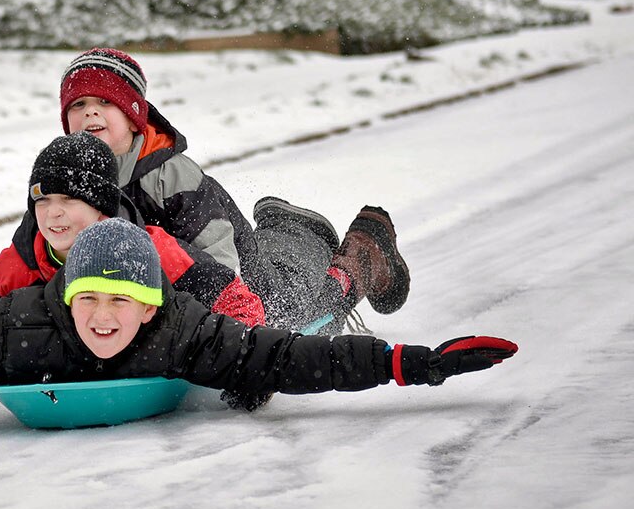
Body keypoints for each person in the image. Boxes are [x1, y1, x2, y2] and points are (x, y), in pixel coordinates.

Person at [0, 219, 517, 408]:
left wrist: (409, 363)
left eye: (121, 302)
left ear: (151, 305)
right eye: (89, 298)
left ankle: (329, 245)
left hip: (259, 279)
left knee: (301, 319)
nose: (102, 316)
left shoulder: (184, 329)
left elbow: (290, 362)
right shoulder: (24, 325)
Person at [55, 47, 410, 335]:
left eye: (104, 103)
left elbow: (219, 253)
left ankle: (358, 252)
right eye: (78, 105)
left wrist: (223, 325)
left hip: (237, 281)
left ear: (134, 117)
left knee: (297, 311)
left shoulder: (170, 177)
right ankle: (281, 228)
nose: (90, 114)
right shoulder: (64, 182)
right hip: (155, 297)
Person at [0, 131, 265, 329]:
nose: (52, 212)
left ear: (101, 206)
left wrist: (246, 368)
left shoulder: (152, 251)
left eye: (69, 199)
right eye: (42, 200)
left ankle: (294, 226)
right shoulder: (18, 266)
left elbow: (234, 300)